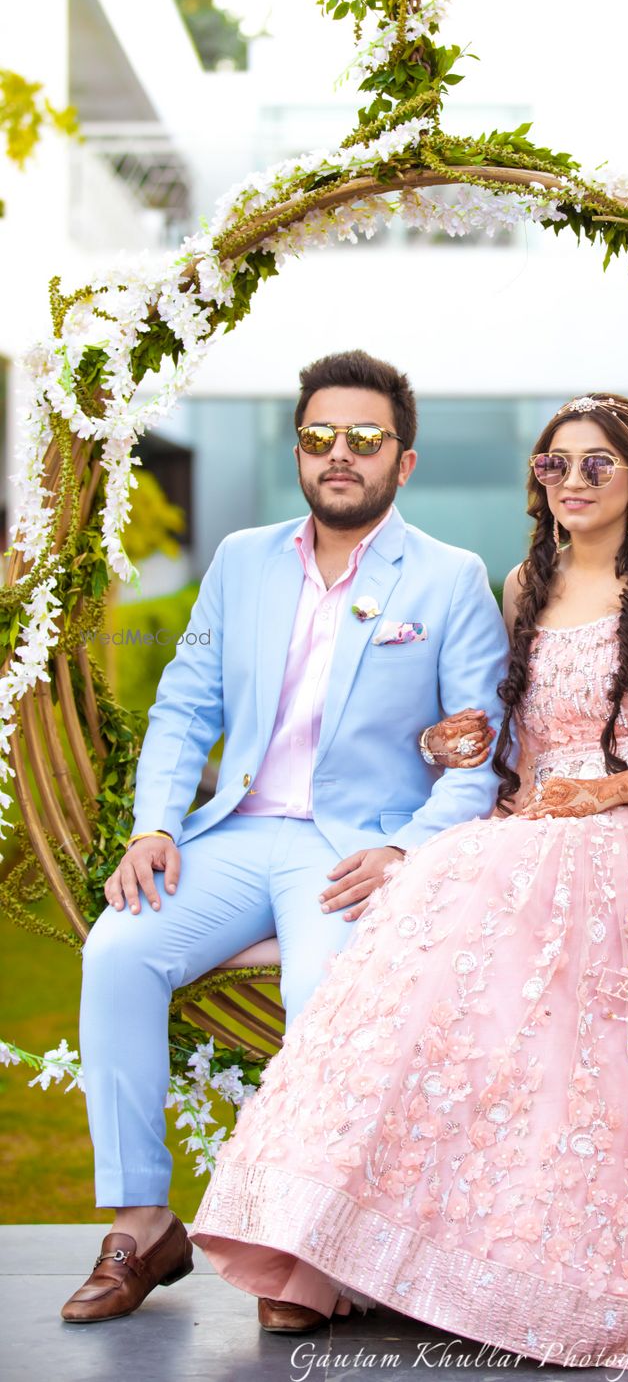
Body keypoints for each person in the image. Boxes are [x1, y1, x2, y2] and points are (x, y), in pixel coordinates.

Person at [188, 393, 628, 1378]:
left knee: (531, 938)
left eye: (595, 466)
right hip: (537, 826)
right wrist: (458, 744)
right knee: (418, 939)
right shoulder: (523, 586)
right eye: (552, 466)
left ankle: (600, 1275)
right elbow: (514, 747)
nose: (570, 483)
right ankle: (320, 1245)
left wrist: (610, 792)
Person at [61, 350, 509, 1325]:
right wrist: (154, 828)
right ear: (297, 449)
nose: (338, 454)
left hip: (352, 849)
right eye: (319, 436)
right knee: (117, 951)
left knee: (322, 992)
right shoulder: (241, 558)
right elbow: (183, 707)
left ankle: (308, 1246)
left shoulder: (448, 578)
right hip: (233, 833)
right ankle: (143, 1225)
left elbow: (479, 754)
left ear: (406, 459)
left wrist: (406, 851)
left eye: (364, 437)